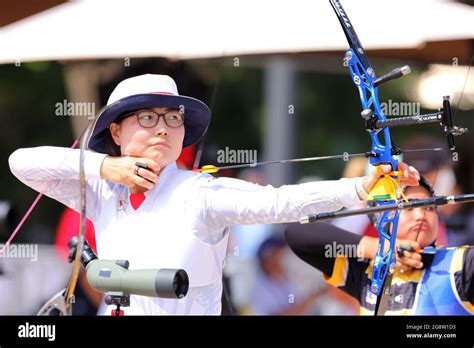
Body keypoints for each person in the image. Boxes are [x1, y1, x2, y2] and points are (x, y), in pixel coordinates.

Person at [8, 74, 420, 315]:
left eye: (173, 118)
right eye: (147, 117)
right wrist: (104, 165)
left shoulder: (200, 192)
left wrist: (361, 187)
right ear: (115, 132)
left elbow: (279, 202)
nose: (164, 128)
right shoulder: (100, 187)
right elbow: (20, 162)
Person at [285, 178, 474, 315]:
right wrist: (379, 249)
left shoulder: (461, 264)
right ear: (383, 220)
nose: (421, 215)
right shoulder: (367, 271)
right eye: (408, 207)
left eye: (430, 207)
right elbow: (296, 233)